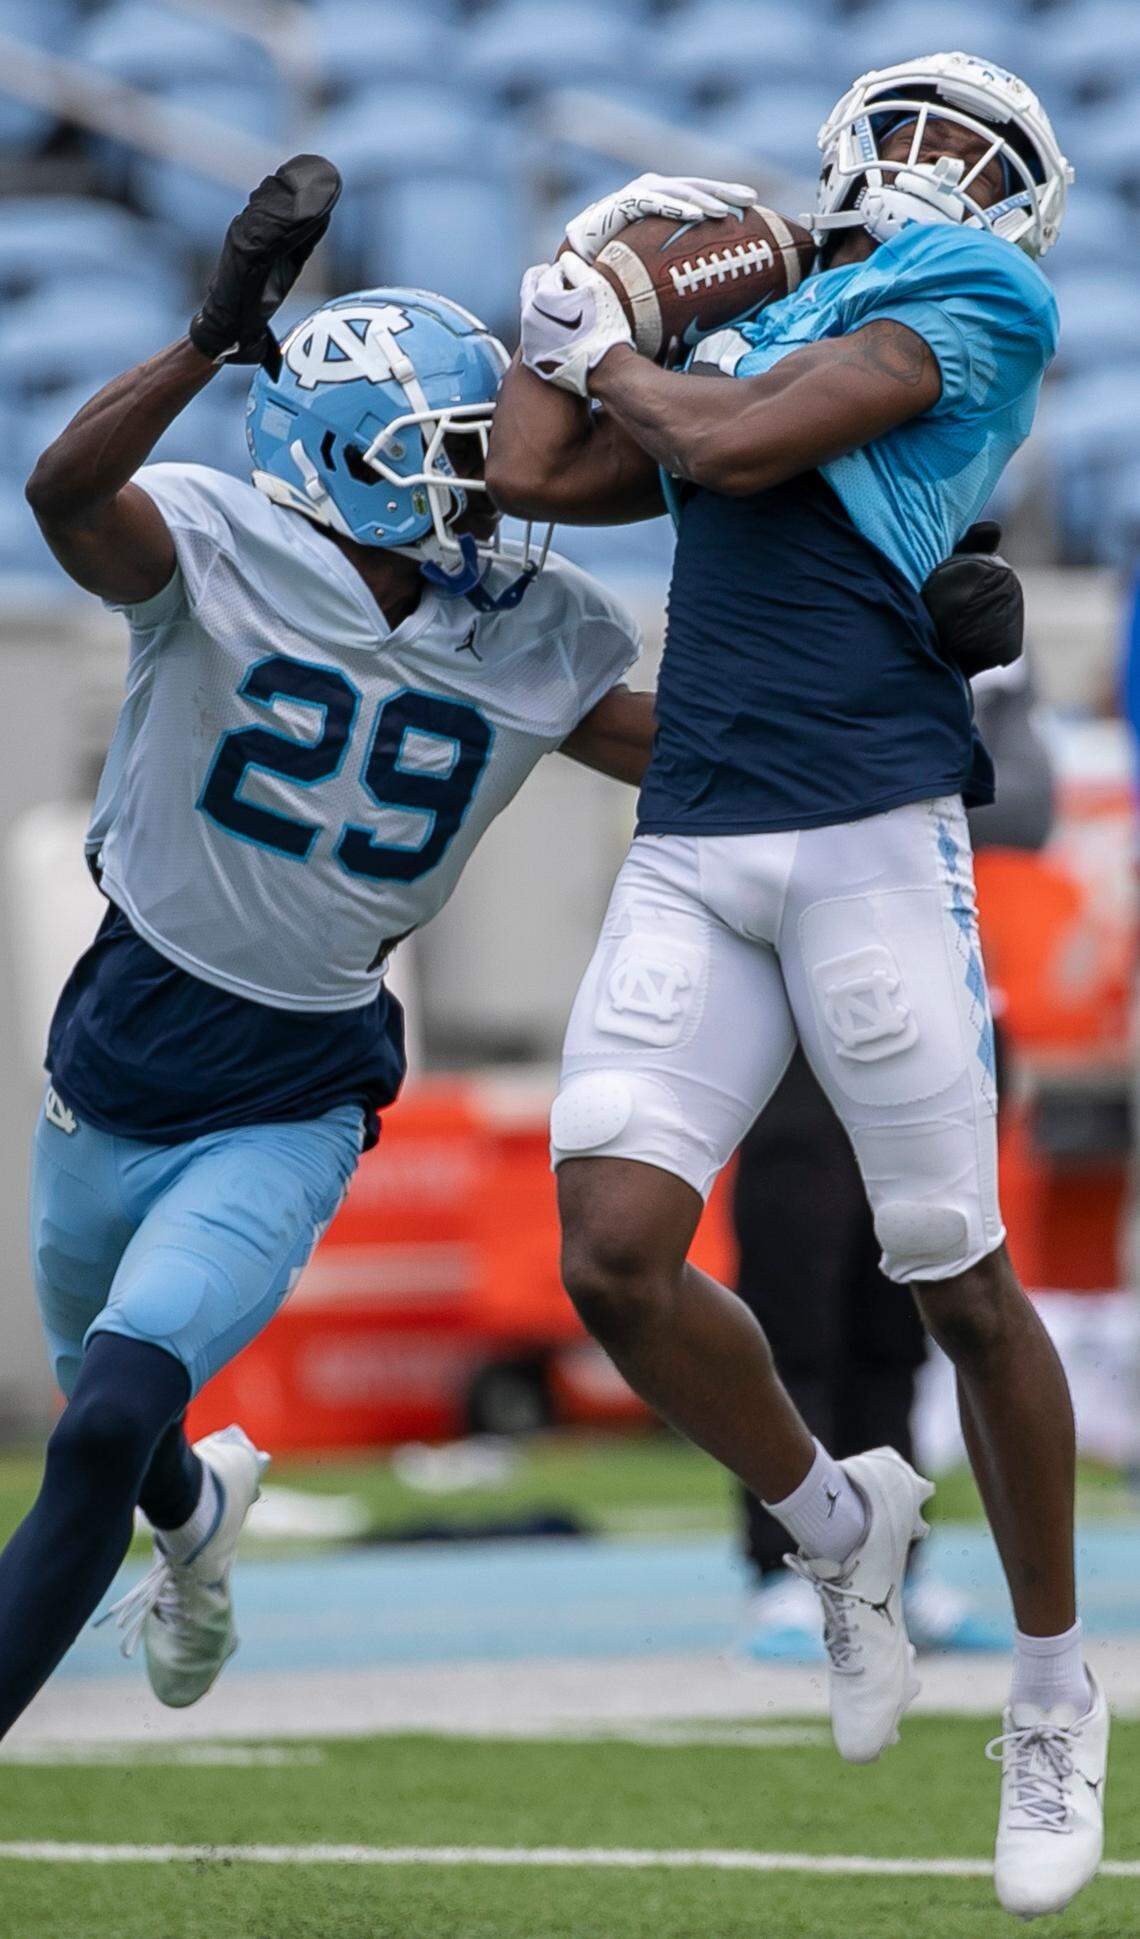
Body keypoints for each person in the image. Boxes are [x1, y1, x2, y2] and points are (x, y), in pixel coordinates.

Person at [486, 52, 1107, 1920]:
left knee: (955, 1268)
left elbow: (734, 448)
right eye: (910, 127)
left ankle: (1056, 1692)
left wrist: (608, 342)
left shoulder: (984, 295)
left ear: (1018, 205)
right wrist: (554, 306)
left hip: (866, 833)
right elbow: (532, 470)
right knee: (609, 1242)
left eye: (976, 151)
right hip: (698, 831)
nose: (930, 165)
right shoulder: (774, 292)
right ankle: (835, 1522)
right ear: (847, 140)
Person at [0, 155, 655, 1743]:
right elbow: (63, 496)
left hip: (292, 1085)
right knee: (121, 1415)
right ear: (356, 464)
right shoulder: (220, 548)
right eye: (459, 457)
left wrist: (898, 662)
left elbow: (702, 749)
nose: (499, 485)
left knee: (94, 1432)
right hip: (117, 1045)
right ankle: (198, 1514)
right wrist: (211, 339)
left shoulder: (538, 633)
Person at [736, 644, 1056, 1662]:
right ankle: (790, 1565)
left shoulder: (954, 586)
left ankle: (898, 1560)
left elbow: (1026, 805)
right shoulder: (767, 598)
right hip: (793, 995)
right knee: (798, 1299)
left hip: (927, 985)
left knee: (912, 1308)